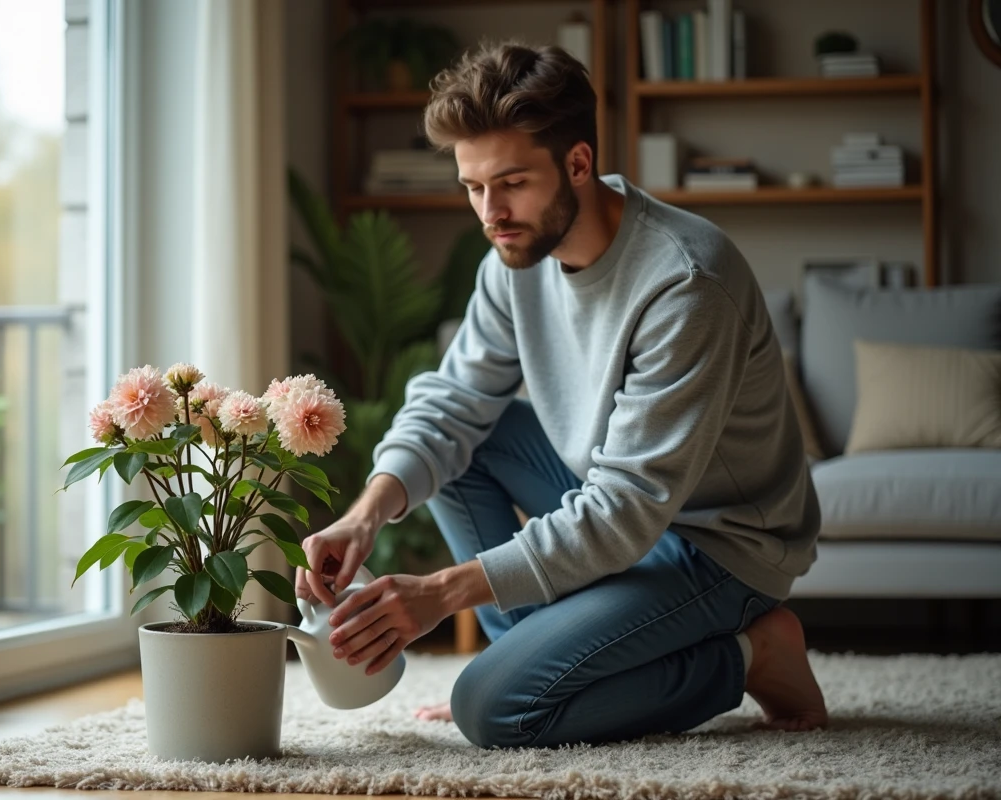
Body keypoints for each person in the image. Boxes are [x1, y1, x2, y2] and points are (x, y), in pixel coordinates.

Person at [293, 40, 828, 748]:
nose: (491, 212)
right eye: (473, 187)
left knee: (492, 710)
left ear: (578, 163)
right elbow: (451, 401)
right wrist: (364, 518)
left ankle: (756, 652)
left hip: (717, 545)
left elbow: (626, 508)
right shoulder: (513, 257)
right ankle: (535, 660)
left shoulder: (684, 284)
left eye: (512, 182)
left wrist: (440, 593)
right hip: (618, 510)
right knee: (468, 435)